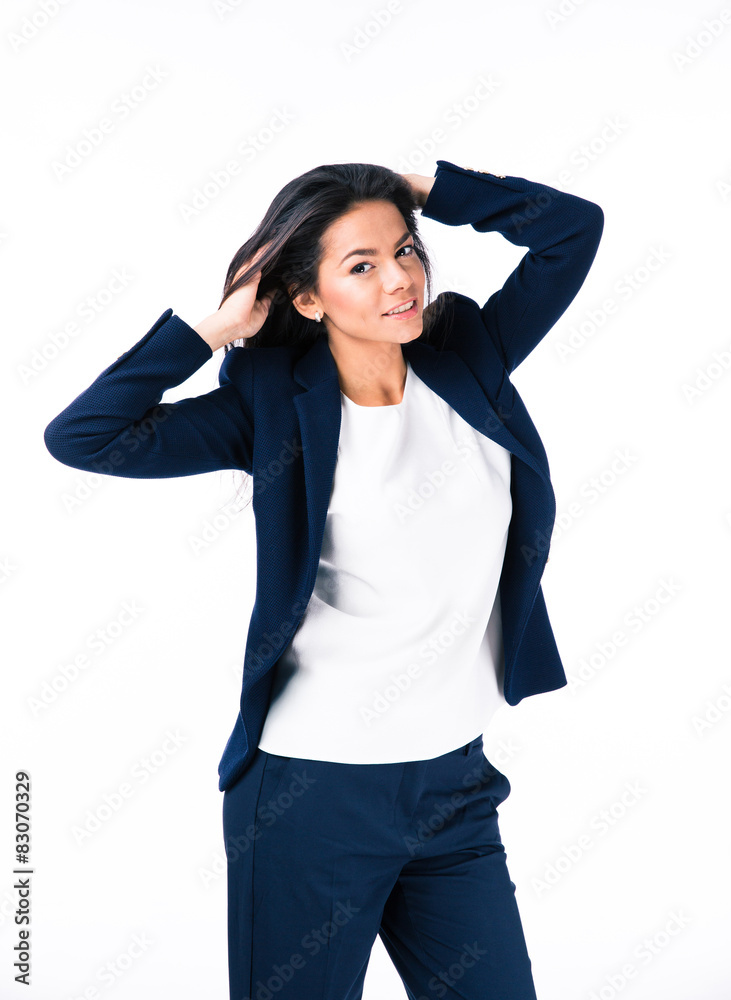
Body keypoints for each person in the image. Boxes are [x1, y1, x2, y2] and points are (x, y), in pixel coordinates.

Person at [44, 158, 604, 1000]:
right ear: (306, 299)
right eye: (362, 266)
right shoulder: (268, 405)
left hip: (453, 785)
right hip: (314, 794)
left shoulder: (467, 356)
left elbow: (572, 229)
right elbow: (84, 436)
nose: (401, 279)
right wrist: (212, 330)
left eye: (406, 251)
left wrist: (422, 188)